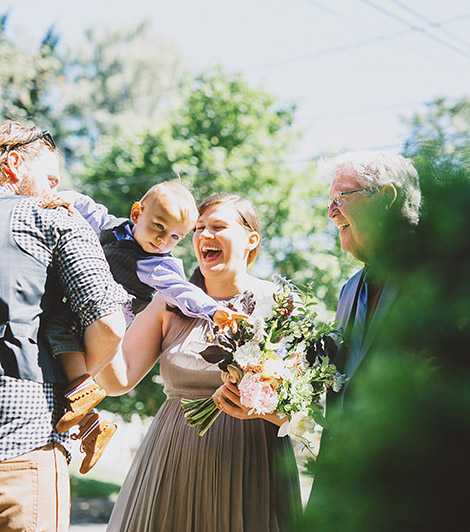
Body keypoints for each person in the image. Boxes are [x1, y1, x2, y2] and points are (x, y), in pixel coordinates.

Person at [98, 193, 301, 532]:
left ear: (251, 239)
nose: (205, 235)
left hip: (253, 463)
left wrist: (260, 407)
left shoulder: (279, 303)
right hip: (172, 459)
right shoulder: (168, 301)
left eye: (218, 226)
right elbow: (118, 381)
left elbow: (301, 410)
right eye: (198, 228)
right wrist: (97, 320)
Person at [39, 184, 245, 474]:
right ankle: (92, 425)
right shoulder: (111, 228)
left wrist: (213, 311)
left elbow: (182, 291)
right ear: (137, 213)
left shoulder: (156, 264)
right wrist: (64, 197)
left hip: (108, 315)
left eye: (175, 237)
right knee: (58, 364)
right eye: (159, 227)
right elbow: (89, 207)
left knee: (56, 330)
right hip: (83, 307)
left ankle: (83, 396)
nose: (163, 241)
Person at [0, 120, 128, 532]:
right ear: (13, 165)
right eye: (50, 179)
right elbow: (108, 322)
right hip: (24, 445)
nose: (55, 192)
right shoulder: (53, 219)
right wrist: (77, 379)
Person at [304, 151, 421, 512]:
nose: (330, 212)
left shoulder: (444, 275)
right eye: (329, 201)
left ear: (386, 198)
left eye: (341, 198)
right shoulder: (348, 290)